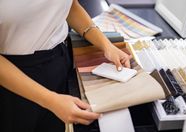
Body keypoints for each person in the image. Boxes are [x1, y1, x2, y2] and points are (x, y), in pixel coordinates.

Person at [0, 0, 130, 132]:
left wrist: (106, 45)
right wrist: (51, 100)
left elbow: (69, 5)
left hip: (58, 62)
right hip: (11, 80)